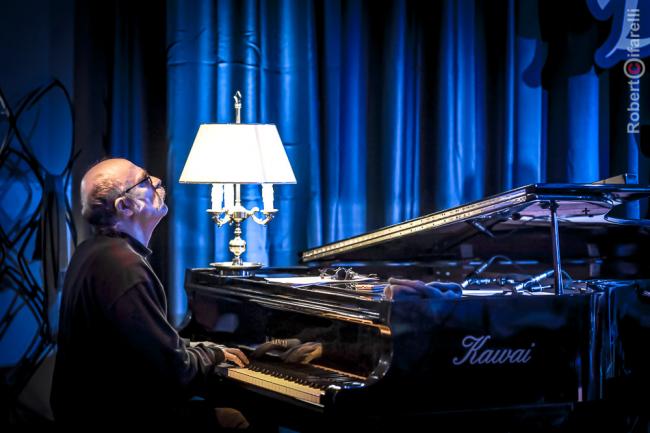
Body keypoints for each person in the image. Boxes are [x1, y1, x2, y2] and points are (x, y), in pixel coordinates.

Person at [50, 158, 249, 428]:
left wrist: (196, 349)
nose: (157, 181)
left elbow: (144, 347)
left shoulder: (92, 251)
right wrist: (214, 355)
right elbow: (175, 373)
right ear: (125, 206)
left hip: (86, 410)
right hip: (115, 416)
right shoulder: (123, 267)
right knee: (234, 420)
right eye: (144, 180)